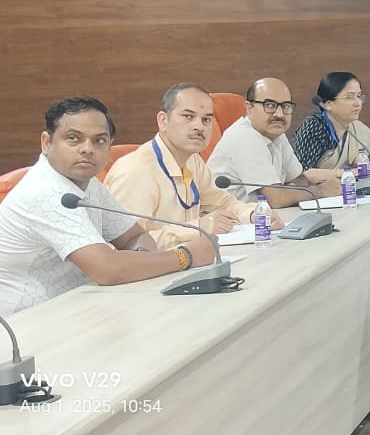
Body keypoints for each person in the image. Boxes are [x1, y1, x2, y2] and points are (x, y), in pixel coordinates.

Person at [0, 97, 215, 316]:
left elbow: (134, 237)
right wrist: (184, 256)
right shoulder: (45, 192)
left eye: (99, 140)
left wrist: (140, 262)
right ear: (47, 143)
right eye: (73, 139)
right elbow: (107, 269)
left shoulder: (87, 182)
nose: (88, 149)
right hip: (26, 323)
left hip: (76, 308)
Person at [106, 84, 282, 250]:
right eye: (188, 117)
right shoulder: (136, 171)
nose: (199, 126)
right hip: (152, 269)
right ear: (163, 121)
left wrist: (254, 214)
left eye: (206, 120)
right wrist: (198, 228)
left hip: (190, 260)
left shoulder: (192, 160)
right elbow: (127, 246)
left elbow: (221, 202)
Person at [208, 78, 341, 206]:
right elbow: (275, 199)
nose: (279, 114)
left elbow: (299, 180)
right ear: (249, 108)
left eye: (286, 106)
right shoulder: (245, 137)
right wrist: (321, 190)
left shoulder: (276, 134)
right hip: (230, 218)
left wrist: (289, 192)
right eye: (270, 105)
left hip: (261, 216)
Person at [291, 72, 370, 173]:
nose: (358, 103)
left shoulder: (361, 131)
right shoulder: (314, 127)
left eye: (359, 96)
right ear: (328, 104)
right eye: (349, 97)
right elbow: (303, 173)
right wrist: (346, 173)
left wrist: (366, 163)